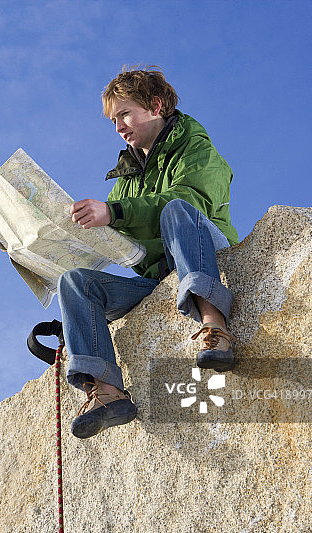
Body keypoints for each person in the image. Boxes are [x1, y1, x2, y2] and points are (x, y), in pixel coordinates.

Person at [59, 66, 240, 439]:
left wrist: (114, 213)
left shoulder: (196, 147)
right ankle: (108, 393)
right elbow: (114, 244)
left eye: (125, 114)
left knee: (175, 209)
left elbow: (192, 201)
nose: (119, 127)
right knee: (74, 282)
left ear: (156, 106)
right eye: (113, 120)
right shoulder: (124, 181)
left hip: (207, 251)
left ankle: (214, 326)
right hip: (158, 278)